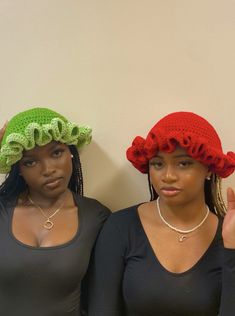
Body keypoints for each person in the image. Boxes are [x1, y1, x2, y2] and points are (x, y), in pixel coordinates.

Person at [88, 111, 235, 316]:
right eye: (157, 164)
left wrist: (232, 250)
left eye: (183, 163)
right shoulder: (121, 227)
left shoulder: (228, 236)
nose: (168, 176)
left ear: (209, 168)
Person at [0, 107, 110, 316]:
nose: (48, 169)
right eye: (30, 161)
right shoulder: (2, 210)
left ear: (71, 152)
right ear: (19, 169)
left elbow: (102, 298)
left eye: (56, 152)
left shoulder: (96, 216)